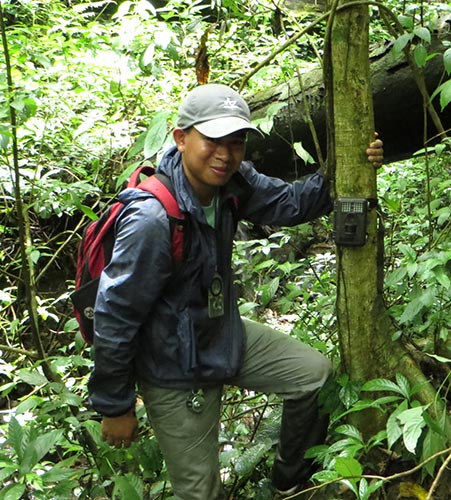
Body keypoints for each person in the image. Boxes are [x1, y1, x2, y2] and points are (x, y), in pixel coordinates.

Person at [88, 83, 384, 499]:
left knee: (312, 376)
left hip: (219, 333)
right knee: (201, 493)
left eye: (236, 142)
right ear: (180, 138)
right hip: (173, 368)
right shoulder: (153, 218)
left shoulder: (233, 181)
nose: (225, 155)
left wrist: (349, 163)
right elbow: (114, 315)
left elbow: (292, 203)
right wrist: (115, 405)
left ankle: (288, 480)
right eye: (213, 141)